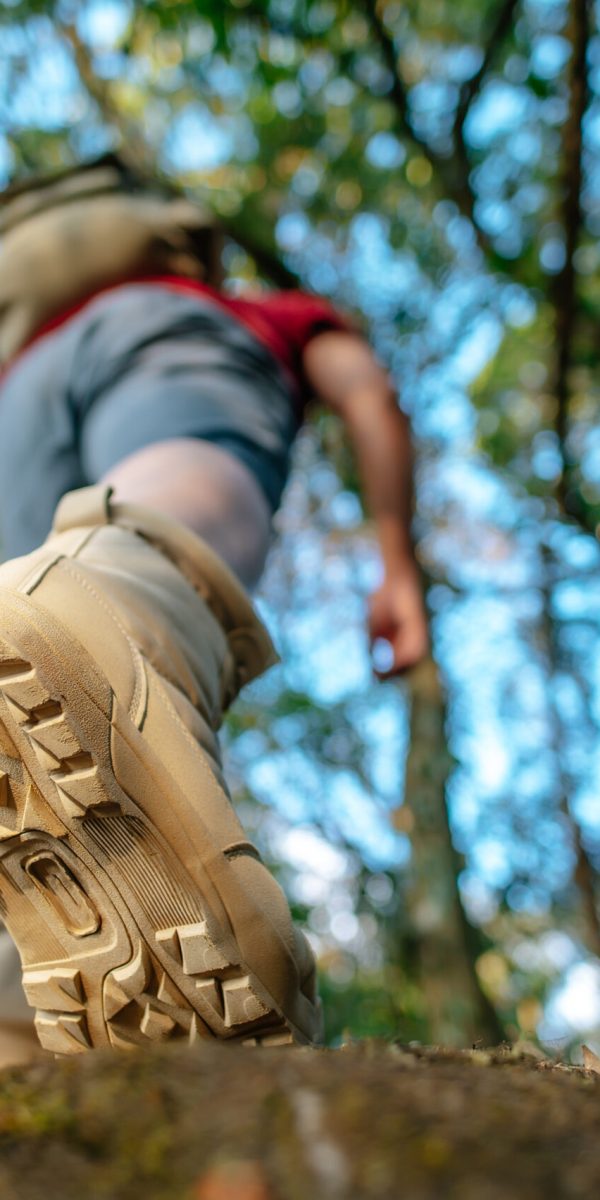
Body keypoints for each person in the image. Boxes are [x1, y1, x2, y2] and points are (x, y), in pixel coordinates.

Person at [0, 156, 429, 1063]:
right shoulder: (251, 309)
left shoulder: (31, 334)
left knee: (15, 577)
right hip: (171, 342)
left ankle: (18, 1011)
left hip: (13, 400)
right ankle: (125, 607)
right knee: (164, 496)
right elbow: (369, 394)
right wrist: (397, 561)